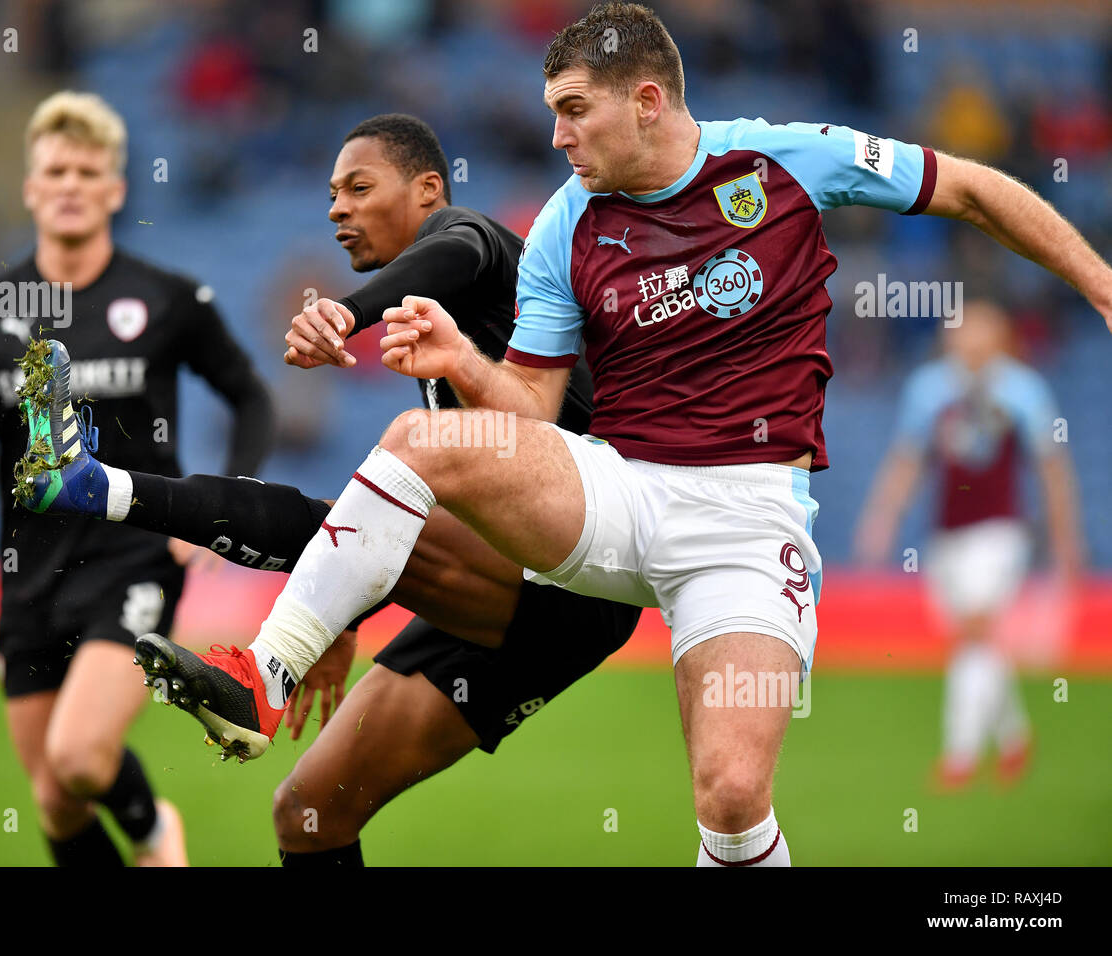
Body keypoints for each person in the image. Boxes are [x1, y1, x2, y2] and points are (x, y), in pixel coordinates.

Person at [132, 1, 1112, 867]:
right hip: (621, 493)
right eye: (552, 110)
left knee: (730, 799)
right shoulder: (565, 223)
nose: (554, 134)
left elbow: (975, 191)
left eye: (572, 109)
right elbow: (528, 404)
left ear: (645, 99)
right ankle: (264, 676)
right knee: (415, 439)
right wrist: (458, 363)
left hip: (744, 515)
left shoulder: (777, 160)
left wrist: (1100, 282)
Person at [18, 112, 640, 866]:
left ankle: (98, 489)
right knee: (309, 813)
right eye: (330, 194)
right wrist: (336, 612)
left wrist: (351, 311)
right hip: (511, 590)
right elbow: (413, 515)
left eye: (358, 187)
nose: (336, 208)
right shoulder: (439, 327)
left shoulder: (474, 245)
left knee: (326, 515)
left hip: (577, 573)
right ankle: (112, 504)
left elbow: (458, 248)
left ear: (428, 189)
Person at [0, 91, 274, 866]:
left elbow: (251, 399)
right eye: (56, 169)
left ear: (116, 190)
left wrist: (222, 510)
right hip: (29, 573)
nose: (71, 183)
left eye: (89, 171)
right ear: (31, 185)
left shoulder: (168, 297)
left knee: (83, 757)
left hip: (135, 556)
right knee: (56, 802)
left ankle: (157, 833)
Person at [854, 300, 1083, 789]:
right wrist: (882, 517)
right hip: (947, 534)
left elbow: (1051, 469)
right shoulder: (930, 388)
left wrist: (1066, 538)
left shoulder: (1022, 389)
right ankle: (1016, 736)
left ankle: (959, 755)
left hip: (1001, 531)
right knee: (977, 641)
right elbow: (908, 459)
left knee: (973, 634)